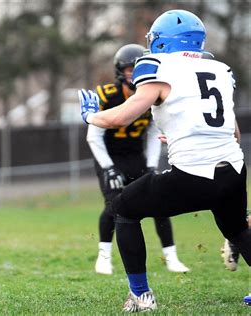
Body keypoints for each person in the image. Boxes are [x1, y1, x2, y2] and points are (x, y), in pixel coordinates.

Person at [79, 9, 250, 312]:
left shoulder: (160, 67)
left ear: (162, 41)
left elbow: (123, 115)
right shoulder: (220, 69)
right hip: (234, 170)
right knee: (237, 229)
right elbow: (232, 132)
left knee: (124, 209)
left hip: (194, 175)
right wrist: (179, 134)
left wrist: (92, 116)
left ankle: (141, 295)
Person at [87, 43, 189, 275]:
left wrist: (151, 164)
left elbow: (153, 132)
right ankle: (104, 256)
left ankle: (171, 256)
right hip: (110, 156)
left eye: (137, 68)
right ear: (119, 71)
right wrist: (108, 168)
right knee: (113, 204)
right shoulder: (107, 95)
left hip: (136, 156)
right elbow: (94, 135)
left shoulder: (153, 92)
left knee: (159, 203)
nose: (133, 73)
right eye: (129, 69)